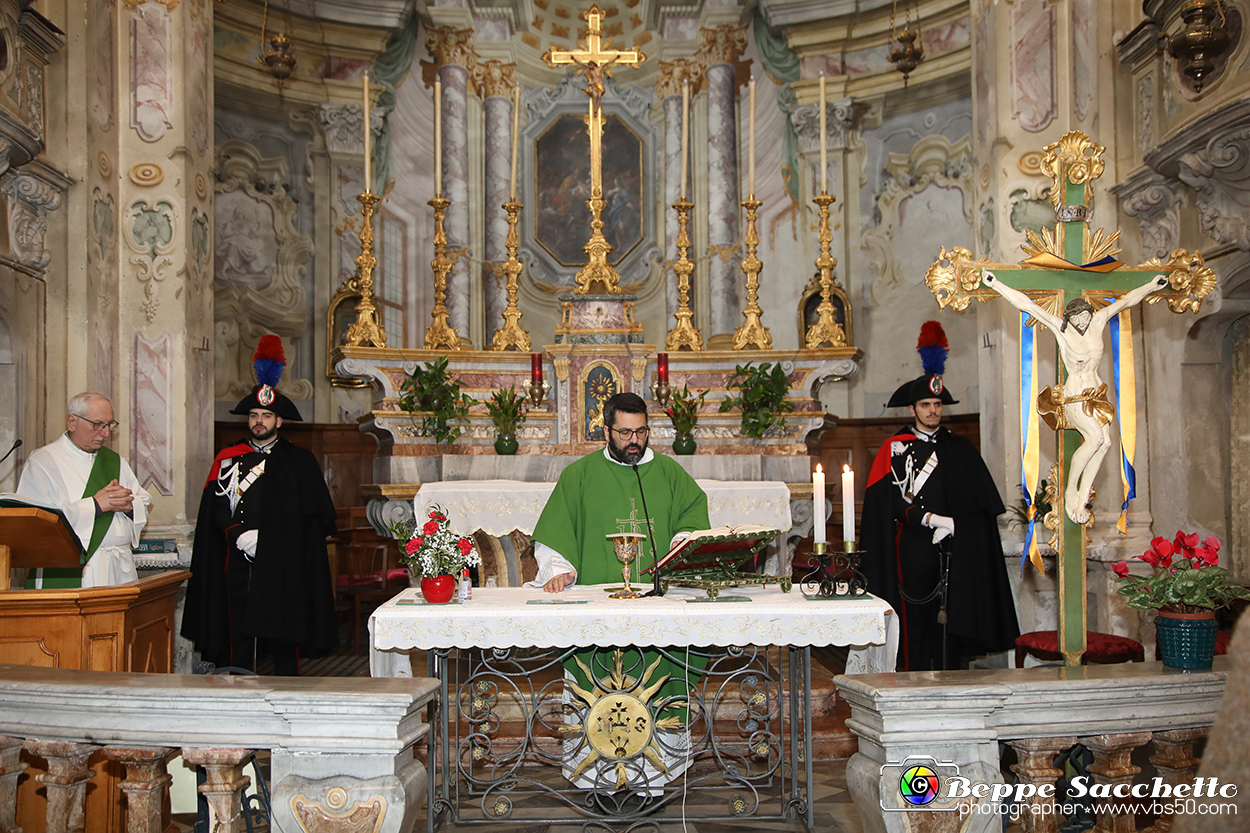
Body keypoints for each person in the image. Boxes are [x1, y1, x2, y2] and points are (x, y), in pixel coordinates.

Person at [861, 322, 1019, 671]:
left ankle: (950, 675)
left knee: (950, 618)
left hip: (954, 547)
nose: (933, 410)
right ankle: (914, 672)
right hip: (914, 546)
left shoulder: (959, 447)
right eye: (926, 404)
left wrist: (957, 524)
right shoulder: (896, 448)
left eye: (936, 404)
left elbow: (980, 502)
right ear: (912, 410)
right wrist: (931, 519)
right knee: (916, 613)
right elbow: (890, 502)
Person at [181, 337, 338, 675]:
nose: (259, 421)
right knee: (234, 619)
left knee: (285, 623)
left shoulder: (300, 461)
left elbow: (314, 518)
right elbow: (215, 507)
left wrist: (267, 537)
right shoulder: (228, 458)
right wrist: (237, 534)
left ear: (278, 421)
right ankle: (236, 678)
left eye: (266, 415)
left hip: (282, 559)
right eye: (254, 415)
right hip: (235, 555)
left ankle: (286, 684)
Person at [982, 271, 1168, 523]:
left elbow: (1125, 301)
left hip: (1096, 394)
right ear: (1069, 318)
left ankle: (1081, 499)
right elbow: (1026, 304)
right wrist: (997, 284)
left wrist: (1150, 286)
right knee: (1093, 438)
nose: (1082, 319)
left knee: (1106, 443)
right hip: (1074, 395)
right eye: (1077, 316)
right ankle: (1071, 490)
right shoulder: (1061, 330)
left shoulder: (1099, 321)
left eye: (1085, 314)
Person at [531, 391, 710, 593]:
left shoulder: (669, 472)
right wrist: (558, 569)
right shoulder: (578, 475)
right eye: (625, 433)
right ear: (607, 432)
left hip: (659, 596)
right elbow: (555, 530)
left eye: (641, 432)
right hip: (597, 597)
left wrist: (683, 539)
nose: (634, 440)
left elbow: (693, 511)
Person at [17, 392, 151, 588]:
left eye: (109, 425)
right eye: (97, 425)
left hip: (119, 569)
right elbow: (37, 523)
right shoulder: (44, 462)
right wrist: (95, 506)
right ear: (72, 422)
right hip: (79, 572)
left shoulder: (115, 462)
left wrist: (129, 506)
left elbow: (143, 501)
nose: (105, 433)